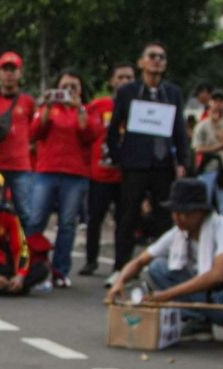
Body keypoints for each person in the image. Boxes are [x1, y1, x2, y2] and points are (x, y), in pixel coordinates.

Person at [109, 179, 223, 351]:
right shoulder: (178, 233)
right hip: (210, 301)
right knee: (158, 267)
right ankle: (198, 321)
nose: (178, 218)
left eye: (184, 213)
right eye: (175, 212)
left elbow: (217, 276)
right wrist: (120, 281)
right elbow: (140, 261)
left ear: (200, 212)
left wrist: (166, 295)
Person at [106, 41, 190, 288]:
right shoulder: (128, 92)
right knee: (128, 215)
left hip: (163, 163)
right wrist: (119, 156)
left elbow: (179, 131)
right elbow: (113, 130)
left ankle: (162, 270)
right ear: (141, 62)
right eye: (152, 56)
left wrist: (183, 161)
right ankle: (120, 268)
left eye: (162, 57)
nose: (157, 61)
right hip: (135, 164)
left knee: (165, 216)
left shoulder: (172, 93)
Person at [27, 69, 100, 288]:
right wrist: (48, 106)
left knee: (67, 224)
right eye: (64, 87)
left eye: (73, 87)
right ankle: (33, 266)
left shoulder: (86, 111)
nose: (68, 91)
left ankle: (60, 271)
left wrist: (79, 108)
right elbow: (35, 132)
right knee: (36, 220)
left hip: (75, 174)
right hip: (46, 172)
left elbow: (91, 134)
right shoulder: (48, 109)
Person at [80, 63, 137, 276]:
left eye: (129, 78)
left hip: (127, 175)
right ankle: (90, 260)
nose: (124, 82)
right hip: (100, 173)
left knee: (125, 221)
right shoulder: (99, 105)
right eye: (120, 77)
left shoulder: (140, 106)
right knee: (94, 218)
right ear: (112, 81)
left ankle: (122, 265)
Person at [0, 51, 36, 226]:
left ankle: (25, 249)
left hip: (21, 167)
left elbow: (37, 130)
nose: (9, 74)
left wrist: (30, 148)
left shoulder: (28, 102)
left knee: (25, 213)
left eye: (13, 69)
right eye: (5, 69)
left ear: (20, 73)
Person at [192, 89, 223, 215]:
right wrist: (218, 147)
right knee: (202, 204)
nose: (218, 104)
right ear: (210, 103)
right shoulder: (202, 124)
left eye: (221, 101)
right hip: (207, 167)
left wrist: (217, 124)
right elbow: (197, 148)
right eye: (215, 101)